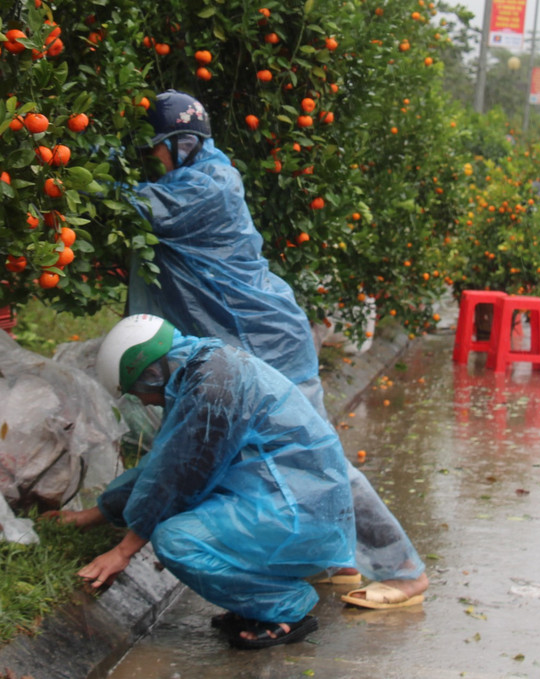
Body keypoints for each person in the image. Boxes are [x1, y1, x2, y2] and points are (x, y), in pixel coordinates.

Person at [126, 90, 428, 610]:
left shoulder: (206, 188)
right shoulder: (193, 177)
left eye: (156, 148)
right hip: (249, 340)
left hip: (267, 342)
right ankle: (336, 561)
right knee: (279, 459)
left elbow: (127, 208)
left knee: (321, 460)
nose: (151, 159)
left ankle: (404, 570)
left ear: (180, 143)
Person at [49, 315, 355, 649]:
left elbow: (180, 476)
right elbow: (163, 464)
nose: (143, 401)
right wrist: (92, 516)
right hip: (289, 504)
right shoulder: (202, 369)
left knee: (176, 541)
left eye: (137, 392)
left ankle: (287, 607)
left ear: (152, 374)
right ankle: (257, 601)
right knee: (182, 521)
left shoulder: (213, 388)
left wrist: (123, 551)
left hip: (299, 516)